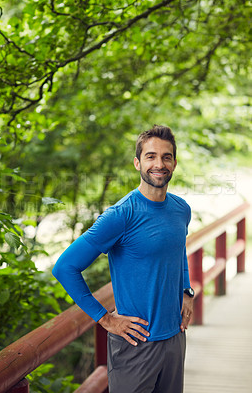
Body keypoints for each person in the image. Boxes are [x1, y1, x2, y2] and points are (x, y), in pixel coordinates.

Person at [52, 125, 194, 393]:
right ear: (137, 163)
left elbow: (177, 250)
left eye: (166, 157)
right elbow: (65, 267)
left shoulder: (180, 209)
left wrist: (186, 290)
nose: (159, 164)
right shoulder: (120, 215)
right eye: (151, 156)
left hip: (175, 338)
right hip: (135, 344)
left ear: (174, 163)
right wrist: (105, 319)